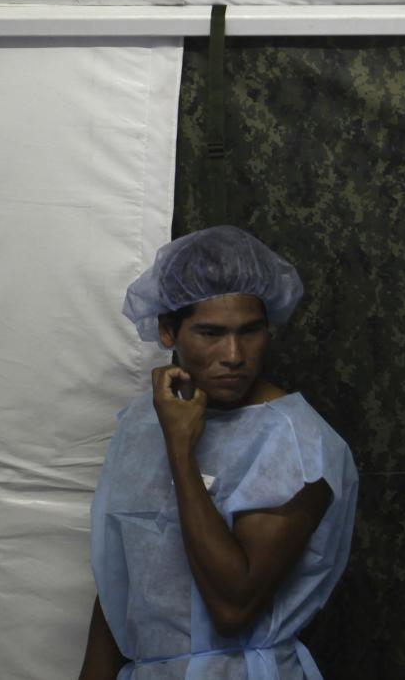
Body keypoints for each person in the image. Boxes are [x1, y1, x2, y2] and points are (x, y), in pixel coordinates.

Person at [79, 226, 358, 680]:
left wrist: (182, 452)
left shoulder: (296, 444)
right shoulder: (140, 425)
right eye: (211, 333)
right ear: (168, 331)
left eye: (250, 332)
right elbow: (119, 585)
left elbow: (234, 607)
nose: (234, 354)